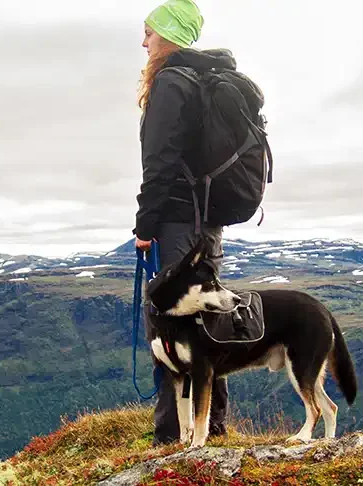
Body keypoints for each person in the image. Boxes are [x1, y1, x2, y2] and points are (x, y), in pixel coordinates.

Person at [132, 0, 234, 446]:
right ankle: (211, 427)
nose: (144, 41)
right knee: (206, 320)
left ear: (168, 35)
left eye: (149, 33)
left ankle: (170, 437)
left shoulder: (171, 83)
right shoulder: (204, 80)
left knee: (170, 328)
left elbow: (159, 164)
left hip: (175, 222)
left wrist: (144, 225)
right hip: (207, 224)